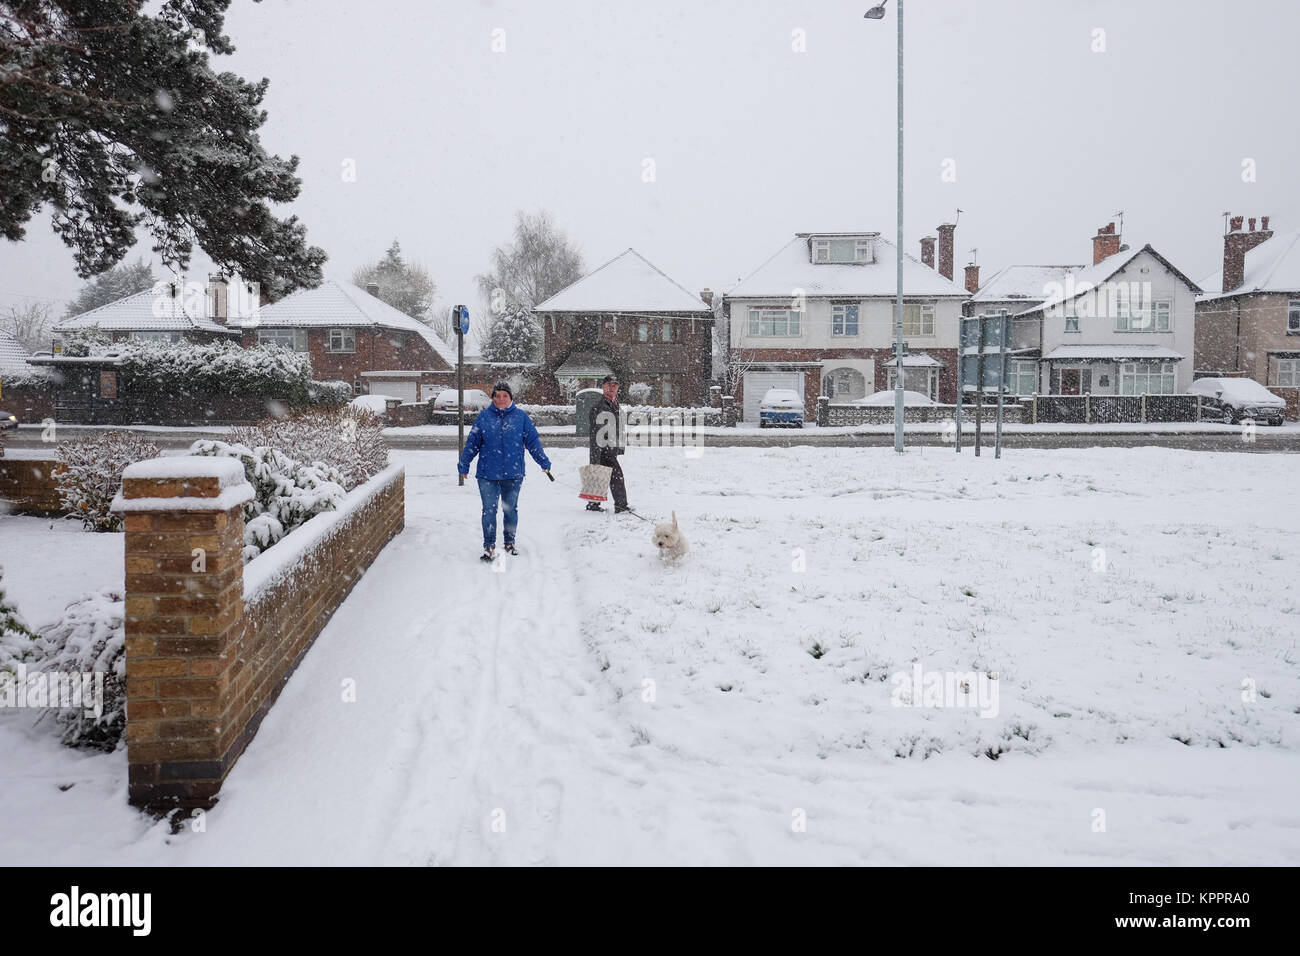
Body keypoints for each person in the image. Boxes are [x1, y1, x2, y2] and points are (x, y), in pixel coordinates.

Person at [458, 381, 553, 560]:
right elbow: (472, 443)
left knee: (510, 509)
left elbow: (532, 442)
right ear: (493, 398)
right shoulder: (484, 418)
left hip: (513, 473)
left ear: (510, 398)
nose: (501, 399)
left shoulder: (521, 418)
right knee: (489, 510)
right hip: (487, 474)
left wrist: (543, 462)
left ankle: (509, 542)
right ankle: (489, 546)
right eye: (497, 396)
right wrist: (464, 465)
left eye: (505, 396)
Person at [587, 374, 634, 514]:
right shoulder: (599, 407)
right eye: (609, 385)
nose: (612, 388)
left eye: (615, 385)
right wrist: (596, 456)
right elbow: (595, 434)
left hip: (610, 448)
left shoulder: (614, 403)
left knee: (600, 475)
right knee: (616, 476)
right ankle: (620, 506)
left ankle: (593, 505)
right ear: (603, 387)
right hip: (603, 449)